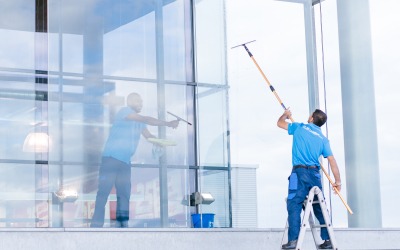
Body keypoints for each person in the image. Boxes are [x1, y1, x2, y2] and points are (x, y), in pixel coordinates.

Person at [90, 92, 179, 228]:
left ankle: (122, 226)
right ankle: (96, 226)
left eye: (142, 101)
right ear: (130, 102)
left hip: (125, 162)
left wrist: (162, 142)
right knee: (103, 192)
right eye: (138, 101)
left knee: (124, 194)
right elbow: (146, 119)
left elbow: (149, 136)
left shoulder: (139, 123)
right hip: (111, 159)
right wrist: (167, 123)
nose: (141, 103)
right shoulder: (125, 112)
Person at [277, 109, 341, 249]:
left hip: (298, 173)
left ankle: (293, 241)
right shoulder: (323, 139)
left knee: (294, 204)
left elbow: (280, 123)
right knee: (319, 206)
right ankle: (328, 240)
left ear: (312, 118)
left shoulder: (299, 127)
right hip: (315, 174)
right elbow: (332, 160)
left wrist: (285, 115)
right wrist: (338, 181)